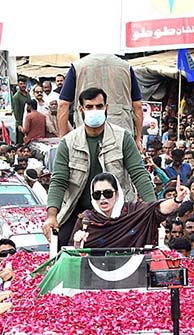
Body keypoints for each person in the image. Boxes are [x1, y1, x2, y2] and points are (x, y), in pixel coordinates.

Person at [43, 87, 157, 247]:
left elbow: (138, 174)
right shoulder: (68, 142)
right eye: (89, 107)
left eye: (99, 106)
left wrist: (154, 209)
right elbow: (59, 181)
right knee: (61, 248)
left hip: (117, 212)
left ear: (106, 108)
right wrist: (51, 215)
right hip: (78, 211)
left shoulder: (123, 137)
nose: (94, 110)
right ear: (81, 110)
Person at [71, 173, 189, 248]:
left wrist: (177, 200)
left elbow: (157, 209)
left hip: (135, 271)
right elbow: (73, 253)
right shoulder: (87, 219)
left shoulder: (134, 212)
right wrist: (77, 243)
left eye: (107, 193)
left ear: (117, 194)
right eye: (97, 195)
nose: (102, 198)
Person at [57, 54, 144, 148]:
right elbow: (137, 106)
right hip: (121, 129)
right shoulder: (126, 67)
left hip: (86, 130)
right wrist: (137, 138)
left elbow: (63, 104)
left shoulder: (77, 67)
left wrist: (64, 138)